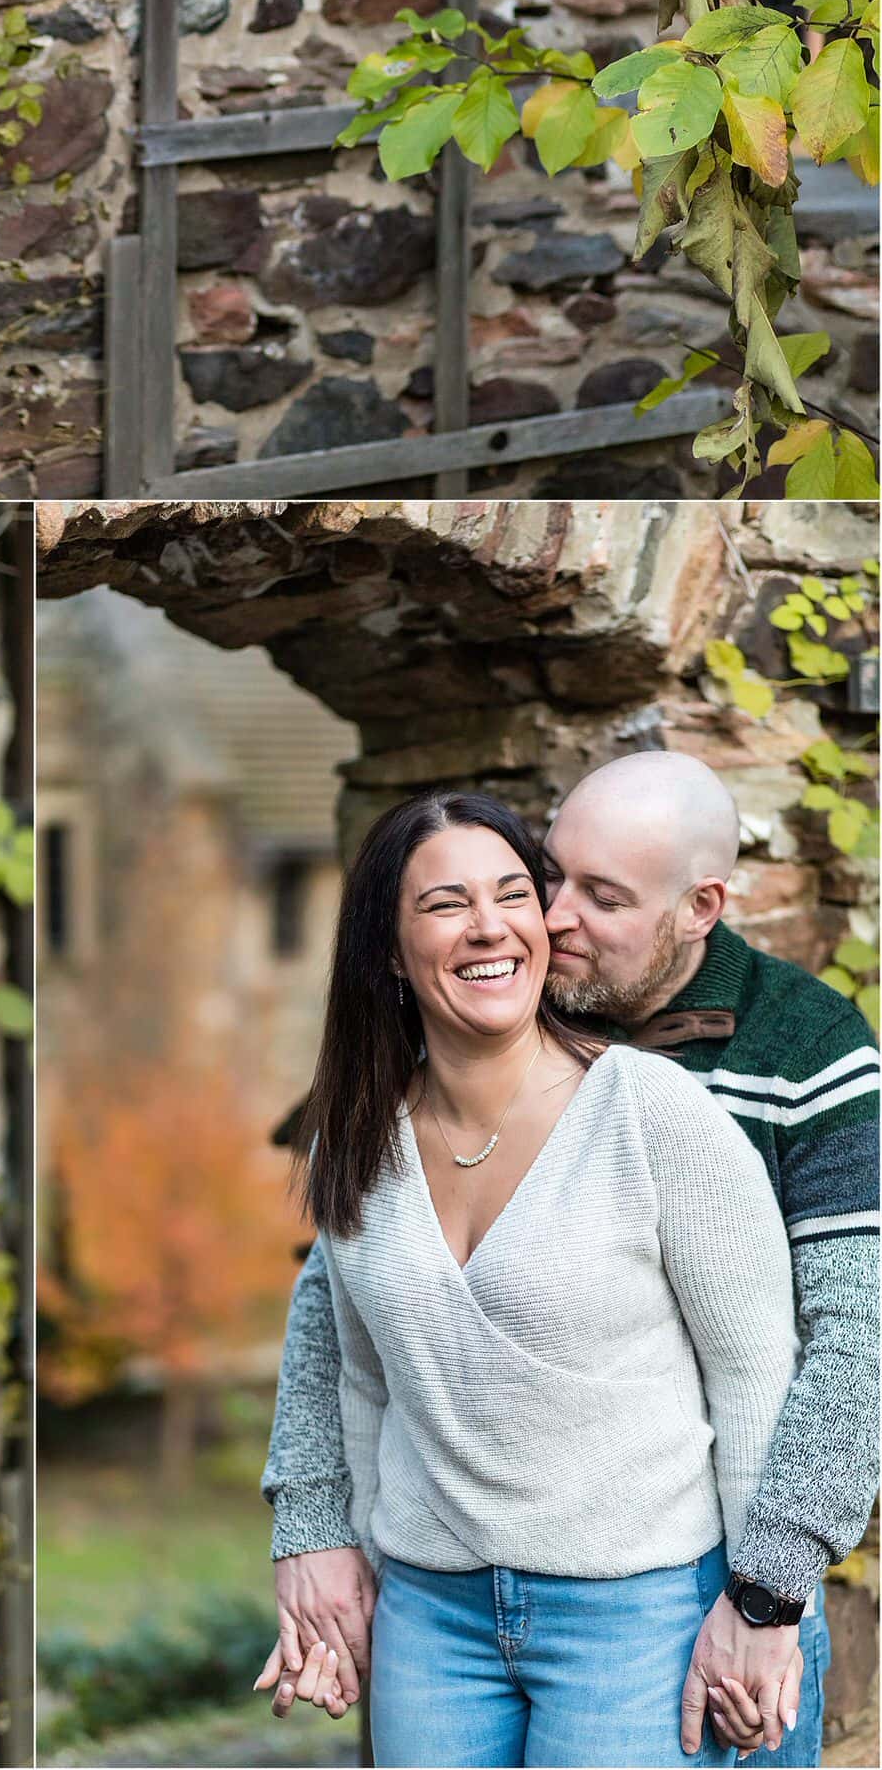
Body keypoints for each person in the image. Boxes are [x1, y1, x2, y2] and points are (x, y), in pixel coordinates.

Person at [259, 755, 879, 1768]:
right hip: (437, 1604)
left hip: (669, 1594)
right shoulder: (444, 1063)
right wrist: (316, 1527)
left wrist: (766, 1595)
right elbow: (344, 1322)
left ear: (699, 908)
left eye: (598, 896)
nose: (546, 919)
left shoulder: (794, 1049)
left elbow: (845, 1343)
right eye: (548, 877)